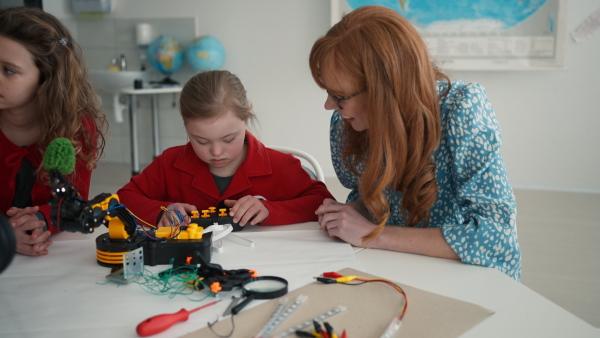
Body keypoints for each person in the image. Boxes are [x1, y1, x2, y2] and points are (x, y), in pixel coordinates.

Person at [310, 5, 521, 280]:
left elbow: (496, 238)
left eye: (339, 96)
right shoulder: (347, 123)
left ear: (385, 91)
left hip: (466, 279)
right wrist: (352, 212)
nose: (329, 106)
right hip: (395, 268)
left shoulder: (462, 111)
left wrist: (375, 236)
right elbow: (373, 198)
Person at [117, 70, 334, 228]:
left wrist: (270, 210)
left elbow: (321, 202)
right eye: (201, 141)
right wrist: (160, 212)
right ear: (185, 123)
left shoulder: (281, 165)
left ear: (246, 116)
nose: (217, 152)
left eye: (229, 139)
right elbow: (123, 198)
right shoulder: (169, 163)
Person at [0, 7, 108, 257]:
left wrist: (37, 223)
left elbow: (72, 202)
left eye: (8, 70)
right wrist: (6, 233)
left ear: (46, 78)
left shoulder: (77, 127)